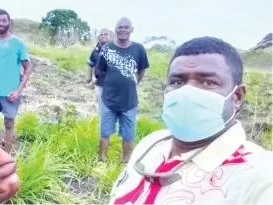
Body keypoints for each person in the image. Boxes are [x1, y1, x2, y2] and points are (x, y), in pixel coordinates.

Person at [108, 37, 273, 205]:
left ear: (237, 97)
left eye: (208, 82)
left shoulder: (261, 176)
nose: (188, 92)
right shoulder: (151, 144)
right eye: (177, 82)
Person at [96, 17, 149, 164]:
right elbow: (100, 71)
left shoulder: (139, 49)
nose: (123, 30)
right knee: (104, 133)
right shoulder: (106, 49)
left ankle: (125, 164)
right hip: (108, 101)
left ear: (131, 30)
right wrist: (113, 83)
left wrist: (130, 83)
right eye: (120, 27)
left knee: (128, 136)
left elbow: (141, 71)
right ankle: (101, 161)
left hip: (129, 102)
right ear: (116, 29)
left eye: (126, 27)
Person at [0, 9, 32, 153]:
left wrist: (18, 90)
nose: (1, 23)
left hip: (11, 92)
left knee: (9, 123)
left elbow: (28, 67)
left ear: (9, 22)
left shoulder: (18, 43)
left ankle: (6, 157)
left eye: (4, 20)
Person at [86, 28, 112, 113]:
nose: (103, 36)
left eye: (105, 34)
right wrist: (89, 80)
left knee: (113, 108)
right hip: (99, 83)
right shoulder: (97, 49)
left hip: (113, 85)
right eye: (101, 35)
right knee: (102, 109)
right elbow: (90, 63)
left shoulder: (115, 48)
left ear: (110, 36)